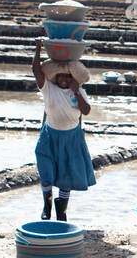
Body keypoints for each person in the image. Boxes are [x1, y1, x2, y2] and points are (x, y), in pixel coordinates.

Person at [32, 39, 95, 221]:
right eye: (61, 76)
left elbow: (87, 111)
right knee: (46, 171)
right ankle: (47, 205)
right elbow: (36, 71)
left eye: (68, 77)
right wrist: (38, 49)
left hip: (71, 137)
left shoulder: (79, 92)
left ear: (73, 79)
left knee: (67, 174)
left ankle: (62, 211)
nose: (64, 80)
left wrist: (76, 91)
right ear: (55, 77)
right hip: (50, 135)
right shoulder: (48, 88)